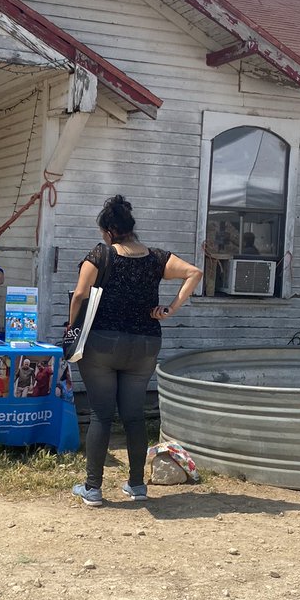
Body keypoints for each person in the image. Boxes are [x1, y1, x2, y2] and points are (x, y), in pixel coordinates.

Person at [67, 194, 203, 507]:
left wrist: (72, 328)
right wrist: (169, 309)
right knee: (134, 416)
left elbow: (79, 295)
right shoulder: (156, 257)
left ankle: (93, 488)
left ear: (109, 231)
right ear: (131, 227)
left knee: (101, 414)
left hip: (102, 343)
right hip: (144, 344)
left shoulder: (100, 255)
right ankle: (137, 484)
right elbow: (193, 273)